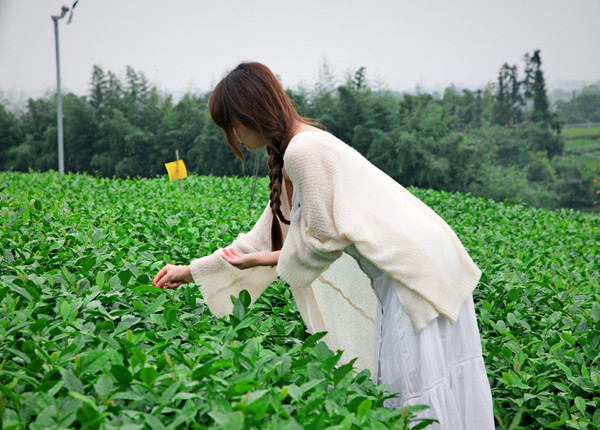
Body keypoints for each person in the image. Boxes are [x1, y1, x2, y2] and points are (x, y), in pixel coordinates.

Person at [153, 62, 494, 429]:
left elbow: (321, 240)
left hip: (413, 274)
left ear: (250, 114)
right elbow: (261, 239)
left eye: (232, 124)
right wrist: (189, 272)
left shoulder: (303, 151)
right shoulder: (294, 148)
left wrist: (263, 260)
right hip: (419, 265)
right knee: (421, 386)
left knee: (415, 393)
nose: (233, 136)